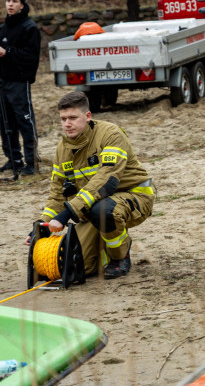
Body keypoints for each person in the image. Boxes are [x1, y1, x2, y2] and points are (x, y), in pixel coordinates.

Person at [33, 91, 155, 279]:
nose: (67, 124)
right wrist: (43, 224)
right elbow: (57, 192)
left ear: (88, 116)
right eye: (63, 119)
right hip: (93, 204)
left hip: (134, 197)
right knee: (76, 266)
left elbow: (107, 180)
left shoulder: (110, 134)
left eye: (73, 117)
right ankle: (102, 251)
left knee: (104, 211)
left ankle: (119, 258)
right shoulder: (62, 149)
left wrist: (67, 214)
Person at [0, 0, 41, 176]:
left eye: (14, 1)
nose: (10, 4)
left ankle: (32, 161)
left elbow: (31, 56)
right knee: (6, 122)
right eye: (8, 1)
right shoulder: (3, 28)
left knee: (24, 121)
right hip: (1, 81)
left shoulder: (29, 28)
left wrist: (8, 52)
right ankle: (14, 159)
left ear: (22, 5)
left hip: (19, 82)